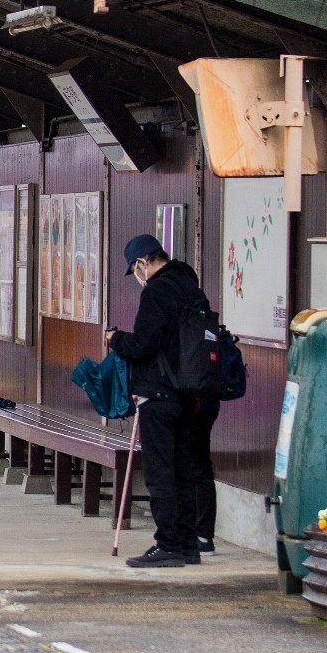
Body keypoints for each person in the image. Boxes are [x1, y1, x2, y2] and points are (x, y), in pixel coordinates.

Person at [107, 234, 219, 568]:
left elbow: (143, 343)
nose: (137, 276)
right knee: (185, 470)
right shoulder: (191, 287)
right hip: (191, 392)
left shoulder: (157, 291)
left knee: (160, 472)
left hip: (158, 393)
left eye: (135, 269)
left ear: (142, 263)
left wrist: (116, 340)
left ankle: (168, 543)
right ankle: (188, 544)